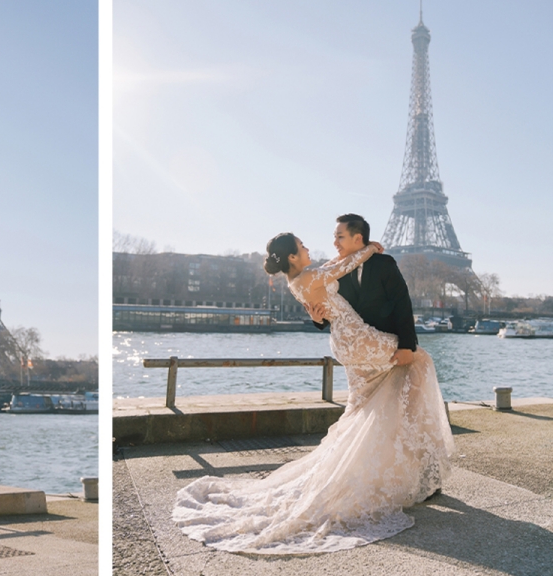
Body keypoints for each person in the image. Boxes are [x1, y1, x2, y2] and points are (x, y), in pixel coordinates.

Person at [172, 233, 454, 555]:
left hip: (346, 342)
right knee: (419, 360)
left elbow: (332, 272)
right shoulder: (308, 275)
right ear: (292, 257)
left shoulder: (298, 280)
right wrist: (370, 249)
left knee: (362, 405)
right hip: (357, 337)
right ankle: (409, 456)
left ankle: (392, 463)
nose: (308, 248)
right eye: (302, 246)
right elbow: (345, 264)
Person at [306, 213, 418, 367]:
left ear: (357, 238)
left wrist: (406, 346)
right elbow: (335, 312)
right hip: (358, 356)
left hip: (389, 352)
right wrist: (318, 319)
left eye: (340, 237)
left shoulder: (384, 264)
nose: (335, 243)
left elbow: (402, 303)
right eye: (335, 237)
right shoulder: (334, 271)